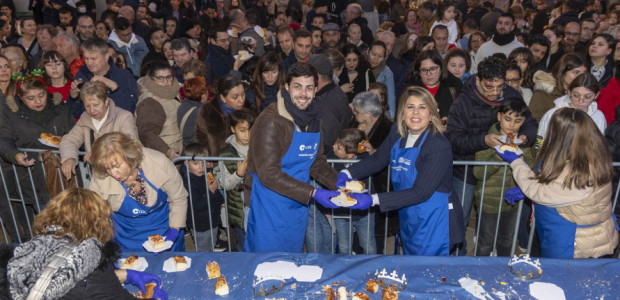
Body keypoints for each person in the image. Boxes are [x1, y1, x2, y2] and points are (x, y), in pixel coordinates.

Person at [337, 86, 464, 255]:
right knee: (411, 266)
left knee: (430, 273)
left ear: (431, 112)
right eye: (410, 107)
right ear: (402, 112)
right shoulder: (398, 133)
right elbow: (377, 160)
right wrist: (347, 173)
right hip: (410, 214)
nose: (415, 113)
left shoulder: (438, 145)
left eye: (422, 107)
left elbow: (421, 192)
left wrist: (373, 200)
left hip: (435, 220)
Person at [2, 188, 167, 299]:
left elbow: (70, 281)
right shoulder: (88, 259)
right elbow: (93, 284)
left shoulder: (36, 245)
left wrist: (128, 275)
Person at [497, 108, 619, 258]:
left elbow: (541, 192)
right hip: (574, 233)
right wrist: (528, 188)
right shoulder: (590, 155)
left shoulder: (581, 170)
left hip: (578, 244)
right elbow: (554, 186)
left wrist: (516, 162)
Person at [446, 56, 538, 254]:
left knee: (499, 223)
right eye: (489, 87)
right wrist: (483, 140)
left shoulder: (511, 94)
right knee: (459, 220)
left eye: (500, 86)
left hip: (501, 175)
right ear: (478, 81)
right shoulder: (463, 103)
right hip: (467, 172)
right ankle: (457, 258)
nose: (496, 92)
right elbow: (453, 139)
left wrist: (525, 136)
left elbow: (529, 121)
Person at [244, 62, 339, 252]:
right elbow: (269, 174)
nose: (303, 94)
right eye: (298, 87)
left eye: (309, 88)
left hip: (296, 205)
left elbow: (317, 162)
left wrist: (340, 182)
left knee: (291, 260)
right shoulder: (271, 121)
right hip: (268, 205)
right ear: (287, 87)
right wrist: (314, 193)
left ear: (315, 90)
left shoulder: (314, 120)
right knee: (265, 264)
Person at [0, 73, 75, 243]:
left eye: (41, 95)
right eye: (31, 98)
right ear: (21, 98)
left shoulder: (61, 109)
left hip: (63, 174)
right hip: (33, 178)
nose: (38, 101)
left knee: (71, 218)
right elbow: (4, 140)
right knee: (49, 222)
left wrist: (68, 143)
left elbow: (75, 134)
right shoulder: (13, 115)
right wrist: (15, 155)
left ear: (46, 92)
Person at [89, 132, 188, 252]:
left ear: (129, 156)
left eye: (117, 166)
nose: (113, 173)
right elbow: (94, 210)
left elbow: (178, 198)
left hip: (164, 229)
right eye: (108, 168)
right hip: (127, 238)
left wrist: (174, 231)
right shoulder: (101, 175)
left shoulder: (158, 162)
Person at [473, 99, 535, 256]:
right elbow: (478, 173)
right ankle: (480, 273)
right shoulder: (488, 140)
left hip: (512, 202)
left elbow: (530, 169)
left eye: (518, 121)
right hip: (488, 201)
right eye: (508, 119)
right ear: (499, 117)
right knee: (485, 242)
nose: (512, 125)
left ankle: (503, 272)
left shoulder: (522, 143)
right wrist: (497, 159)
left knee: (507, 241)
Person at [60, 81, 137, 180]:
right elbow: (70, 140)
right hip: (97, 177)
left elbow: (131, 145)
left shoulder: (124, 117)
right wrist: (69, 158)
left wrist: (98, 155)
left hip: (121, 176)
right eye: (87, 106)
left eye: (96, 105)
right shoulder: (85, 117)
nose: (92, 110)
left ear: (106, 101)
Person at [330, 128, 376, 254]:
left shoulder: (365, 159)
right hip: (341, 210)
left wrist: (372, 151)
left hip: (363, 211)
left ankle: (372, 269)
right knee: (344, 245)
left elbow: (377, 160)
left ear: (350, 155)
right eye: (335, 143)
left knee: (367, 243)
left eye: (339, 147)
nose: (334, 146)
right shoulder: (331, 160)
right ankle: (345, 270)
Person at [216, 108, 255, 252]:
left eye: (250, 130)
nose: (247, 135)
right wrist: (238, 174)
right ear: (233, 129)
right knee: (243, 245)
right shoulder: (226, 153)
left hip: (259, 207)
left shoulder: (261, 148)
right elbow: (224, 184)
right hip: (239, 211)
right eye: (242, 130)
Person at [537, 73, 606, 149]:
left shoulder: (599, 116)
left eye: (587, 97)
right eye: (576, 95)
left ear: (596, 95)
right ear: (569, 92)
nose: (581, 101)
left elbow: (600, 147)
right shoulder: (552, 114)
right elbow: (540, 142)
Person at [73, 38, 138, 114]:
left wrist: (114, 88)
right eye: (86, 59)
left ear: (106, 57)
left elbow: (130, 109)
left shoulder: (124, 76)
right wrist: (73, 97)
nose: (89, 63)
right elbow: (74, 113)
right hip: (90, 123)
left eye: (93, 58)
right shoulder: (81, 75)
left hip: (118, 123)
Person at [180, 143, 224, 252]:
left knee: (212, 241)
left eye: (203, 162)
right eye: (196, 163)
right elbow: (198, 205)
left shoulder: (207, 173)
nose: (201, 167)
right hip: (200, 224)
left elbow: (215, 189)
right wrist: (211, 191)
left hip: (212, 219)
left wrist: (221, 200)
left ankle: (211, 253)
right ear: (186, 163)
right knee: (203, 248)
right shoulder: (188, 182)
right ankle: (204, 263)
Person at [136, 61, 183, 160]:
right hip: (163, 157)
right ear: (152, 79)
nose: (165, 82)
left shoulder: (174, 91)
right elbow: (146, 133)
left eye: (168, 77)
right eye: (160, 78)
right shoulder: (150, 102)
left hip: (177, 151)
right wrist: (167, 151)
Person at [196, 75, 248, 157]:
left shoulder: (250, 110)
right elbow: (200, 137)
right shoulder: (208, 111)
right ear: (223, 98)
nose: (241, 100)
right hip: (215, 163)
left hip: (244, 161)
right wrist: (206, 157)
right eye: (235, 97)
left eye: (243, 94)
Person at [406, 49, 462, 126]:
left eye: (433, 69)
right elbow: (401, 120)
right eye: (424, 70)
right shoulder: (410, 91)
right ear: (418, 72)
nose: (429, 74)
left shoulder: (454, 87)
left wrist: (452, 124)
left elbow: (465, 117)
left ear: (441, 69)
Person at [529, 53, 587, 122]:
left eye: (584, 73)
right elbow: (533, 121)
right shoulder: (543, 93)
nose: (581, 76)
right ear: (562, 72)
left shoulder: (587, 95)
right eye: (576, 72)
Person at [367, 40, 395, 119]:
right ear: (368, 52)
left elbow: (390, 99)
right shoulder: (359, 66)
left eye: (380, 56)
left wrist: (390, 118)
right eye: (373, 54)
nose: (376, 59)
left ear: (384, 57)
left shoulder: (387, 73)